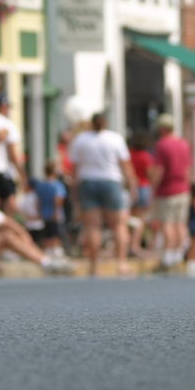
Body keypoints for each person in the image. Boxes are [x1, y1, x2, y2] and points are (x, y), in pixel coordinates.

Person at [70, 112, 135, 276]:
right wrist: (132, 184)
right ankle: (121, 263)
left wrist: (74, 189)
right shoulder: (115, 139)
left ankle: (94, 265)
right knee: (119, 224)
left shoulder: (81, 140)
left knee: (92, 226)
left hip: (88, 181)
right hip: (111, 181)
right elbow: (125, 165)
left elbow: (74, 168)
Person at [150, 114, 192, 271]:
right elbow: (188, 169)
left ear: (162, 129)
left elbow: (159, 170)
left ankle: (168, 255)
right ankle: (178, 254)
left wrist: (153, 188)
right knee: (180, 223)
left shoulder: (162, 145)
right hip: (183, 189)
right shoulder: (184, 144)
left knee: (167, 223)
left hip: (167, 189)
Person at [0, 94, 24, 215]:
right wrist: (22, 173)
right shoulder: (4, 123)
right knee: (10, 205)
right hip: (1, 169)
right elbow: (13, 153)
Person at [32, 162, 68, 254]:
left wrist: (39, 212)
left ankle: (47, 251)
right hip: (55, 214)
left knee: (46, 234)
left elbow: (38, 201)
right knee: (56, 234)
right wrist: (56, 212)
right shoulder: (57, 185)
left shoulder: (41, 185)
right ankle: (55, 251)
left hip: (45, 213)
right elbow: (58, 200)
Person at [128, 132, 154, 254]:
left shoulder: (129, 154)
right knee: (140, 220)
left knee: (130, 219)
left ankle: (129, 244)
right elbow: (150, 174)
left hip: (130, 188)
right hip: (143, 187)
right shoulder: (145, 156)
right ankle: (135, 245)